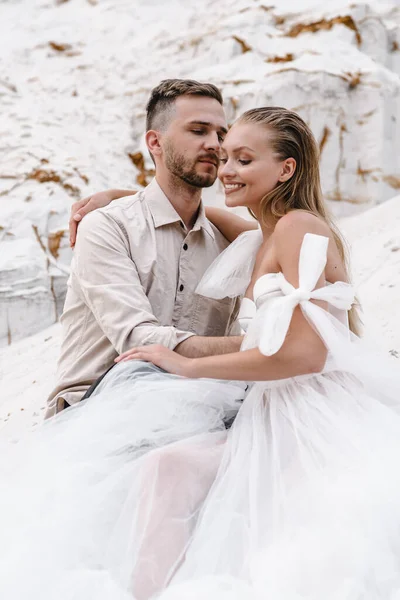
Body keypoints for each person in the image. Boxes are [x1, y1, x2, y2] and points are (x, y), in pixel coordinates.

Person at [1, 106, 400, 600]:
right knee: (168, 470)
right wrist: (118, 199)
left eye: (243, 159)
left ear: (286, 169)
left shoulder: (298, 228)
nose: (227, 170)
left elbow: (305, 353)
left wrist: (188, 365)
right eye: (225, 156)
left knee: (256, 525)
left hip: (309, 411)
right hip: (272, 406)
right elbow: (187, 208)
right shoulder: (264, 234)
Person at [46, 78, 255, 417]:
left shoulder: (227, 246)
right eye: (198, 130)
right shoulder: (107, 227)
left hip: (194, 408)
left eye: (220, 134)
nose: (214, 145)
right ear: (155, 143)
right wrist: (268, 346)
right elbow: (138, 342)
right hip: (94, 410)